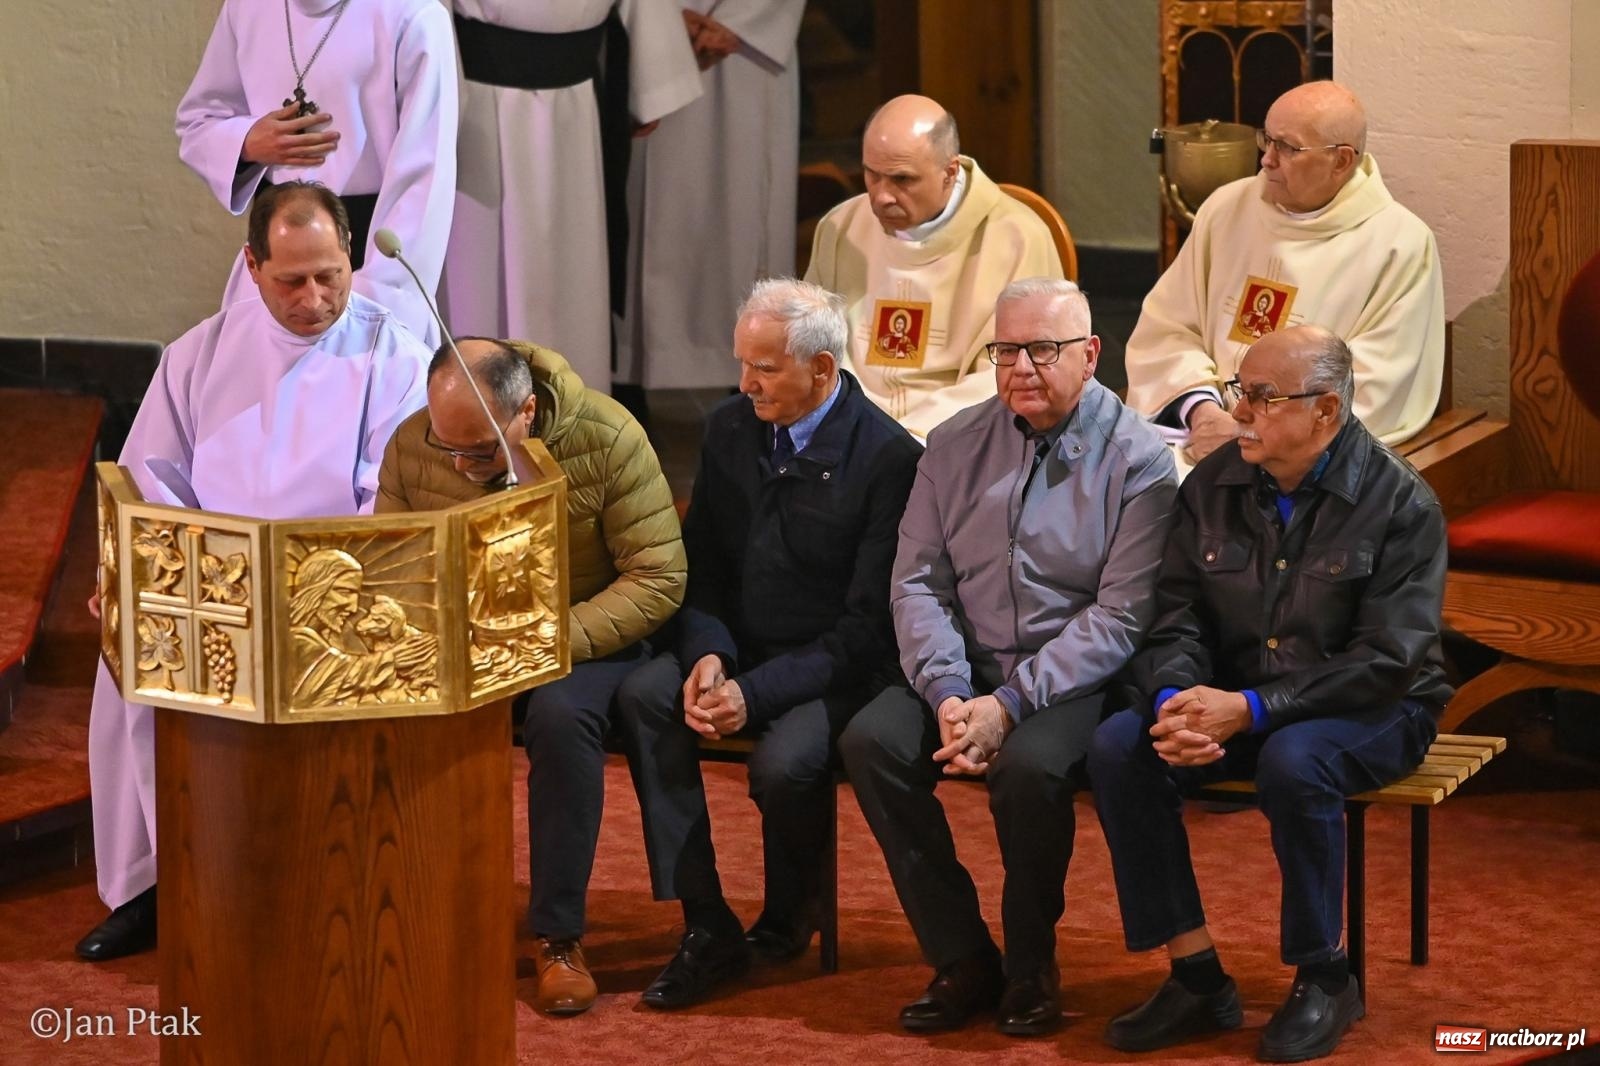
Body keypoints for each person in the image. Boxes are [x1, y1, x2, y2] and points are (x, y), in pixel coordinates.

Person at [76, 181, 432, 962]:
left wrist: (312, 582)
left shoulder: (395, 354)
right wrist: (139, 575)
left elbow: (392, 493)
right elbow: (151, 479)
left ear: (351, 261)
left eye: (330, 275)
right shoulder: (198, 354)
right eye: (290, 280)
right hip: (213, 584)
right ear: (252, 265)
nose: (314, 299)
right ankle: (152, 887)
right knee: (131, 657)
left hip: (337, 590)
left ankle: (322, 884)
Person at [1090, 325, 1450, 1062]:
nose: (1239, 411)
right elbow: (1176, 617)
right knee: (1119, 746)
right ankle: (1195, 975)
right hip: (1238, 697)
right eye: (1238, 392)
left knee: (1295, 759)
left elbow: (1389, 658)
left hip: (1380, 708)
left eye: (1260, 397)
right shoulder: (1213, 484)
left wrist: (1249, 710)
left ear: (1325, 411)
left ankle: (1325, 974)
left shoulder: (1399, 501)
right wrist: (1177, 701)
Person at [839, 278, 1178, 1035]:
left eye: (1043, 350)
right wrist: (949, 691)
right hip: (963, 669)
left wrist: (1011, 704)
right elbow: (917, 582)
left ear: (1089, 355)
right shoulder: (954, 444)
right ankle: (962, 957)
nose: (1021, 367)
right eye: (1005, 350)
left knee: (1029, 770)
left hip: (1072, 678)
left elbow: (1121, 618)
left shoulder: (1140, 460)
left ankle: (1031, 966)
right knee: (871, 741)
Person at [612, 277, 921, 1009]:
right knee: (646, 697)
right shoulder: (728, 429)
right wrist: (711, 656)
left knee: (784, 767)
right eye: (742, 364)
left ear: (822, 370)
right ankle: (706, 922)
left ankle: (789, 918)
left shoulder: (889, 460)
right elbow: (705, 566)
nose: (745, 383)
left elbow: (865, 629)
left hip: (836, 668)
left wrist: (752, 696)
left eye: (765, 368)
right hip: (740, 651)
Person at [375, 336, 685, 1016]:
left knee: (559, 716)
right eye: (447, 445)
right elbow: (394, 565)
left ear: (528, 411)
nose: (461, 463)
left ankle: (558, 937)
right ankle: (415, 917)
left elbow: (658, 578)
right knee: (384, 700)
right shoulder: (411, 444)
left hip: (582, 640)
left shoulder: (606, 436)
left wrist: (545, 642)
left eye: (480, 451)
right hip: (466, 638)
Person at [1124, 81, 1444, 471]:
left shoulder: (1399, 244)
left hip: (1301, 463)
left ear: (1341, 160)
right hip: (1198, 436)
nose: (1267, 160)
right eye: (1267, 140)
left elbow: (1373, 382)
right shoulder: (1227, 209)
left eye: (1287, 148)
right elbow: (1167, 330)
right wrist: (1201, 411)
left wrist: (1252, 431)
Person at [439, 0, 703, 389]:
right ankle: (471, 412)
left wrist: (653, 82)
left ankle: (569, 418)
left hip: (575, 110)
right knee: (477, 273)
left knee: (571, 269)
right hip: (477, 109)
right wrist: (435, 94)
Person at [176, 0, 458, 347]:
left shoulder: (414, 15)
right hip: (272, 270)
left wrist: (374, 299)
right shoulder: (247, 7)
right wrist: (248, 142)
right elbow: (198, 122)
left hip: (367, 264)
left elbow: (424, 177)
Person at [803, 94, 1064, 439]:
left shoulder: (1017, 238)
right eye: (872, 175)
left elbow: (1020, 370)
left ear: (949, 172)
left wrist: (910, 436)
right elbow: (812, 343)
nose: (881, 196)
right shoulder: (842, 227)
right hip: (849, 436)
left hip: (959, 438)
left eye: (902, 179)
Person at [615, 0, 806, 392]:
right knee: (634, 208)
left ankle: (749, 388)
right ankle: (628, 387)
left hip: (744, 56)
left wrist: (739, 23)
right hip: (643, 37)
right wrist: (655, 21)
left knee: (739, 216)